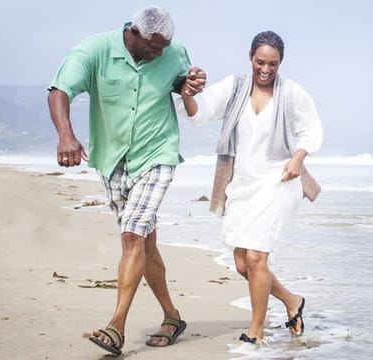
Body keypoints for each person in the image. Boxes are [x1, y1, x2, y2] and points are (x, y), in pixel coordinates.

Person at [46, 6, 207, 355]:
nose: (159, 53)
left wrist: (190, 84)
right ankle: (172, 317)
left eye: (164, 47)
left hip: (158, 154)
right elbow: (59, 91)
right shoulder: (94, 50)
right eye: (153, 46)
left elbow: (182, 83)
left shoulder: (173, 51)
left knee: (132, 235)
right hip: (113, 160)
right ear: (133, 33)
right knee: (144, 244)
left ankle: (116, 327)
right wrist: (66, 136)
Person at [176, 30, 322, 344]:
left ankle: (256, 330)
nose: (265, 70)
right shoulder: (235, 87)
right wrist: (187, 94)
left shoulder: (291, 92)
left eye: (273, 64)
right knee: (243, 264)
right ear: (250, 58)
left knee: (256, 258)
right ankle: (292, 300)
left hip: (279, 182)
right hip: (242, 184)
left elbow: (312, 130)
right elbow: (200, 113)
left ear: (281, 62)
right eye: (260, 62)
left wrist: (298, 158)